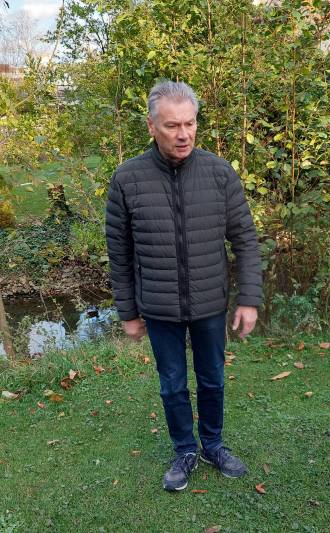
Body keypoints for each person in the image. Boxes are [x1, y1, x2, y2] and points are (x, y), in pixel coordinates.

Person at [105, 80, 262, 491]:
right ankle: (185, 450)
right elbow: (119, 254)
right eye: (172, 125)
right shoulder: (127, 179)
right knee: (172, 383)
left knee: (213, 379)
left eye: (190, 123)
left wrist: (248, 297)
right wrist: (129, 313)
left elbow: (245, 239)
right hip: (158, 308)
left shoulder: (219, 172)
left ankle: (213, 445)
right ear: (151, 126)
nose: (183, 134)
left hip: (210, 302)